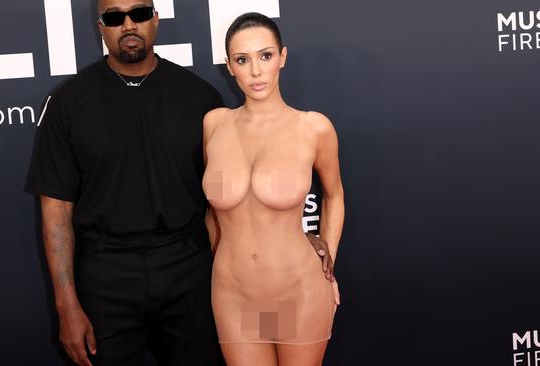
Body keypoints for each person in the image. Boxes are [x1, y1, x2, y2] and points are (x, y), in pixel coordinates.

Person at [26, 0, 224, 365]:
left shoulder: (200, 97)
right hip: (105, 275)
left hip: (188, 266)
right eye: (115, 17)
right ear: (100, 26)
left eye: (140, 14)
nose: (128, 25)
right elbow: (56, 208)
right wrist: (65, 302)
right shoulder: (69, 102)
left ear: (156, 20)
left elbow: (226, 200)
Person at [203, 13, 344, 366]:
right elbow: (213, 212)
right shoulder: (214, 124)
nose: (255, 71)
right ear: (229, 66)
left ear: (282, 57)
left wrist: (329, 265)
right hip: (234, 296)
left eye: (265, 56)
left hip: (297, 291)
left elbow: (335, 196)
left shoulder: (313, 128)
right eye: (242, 60)